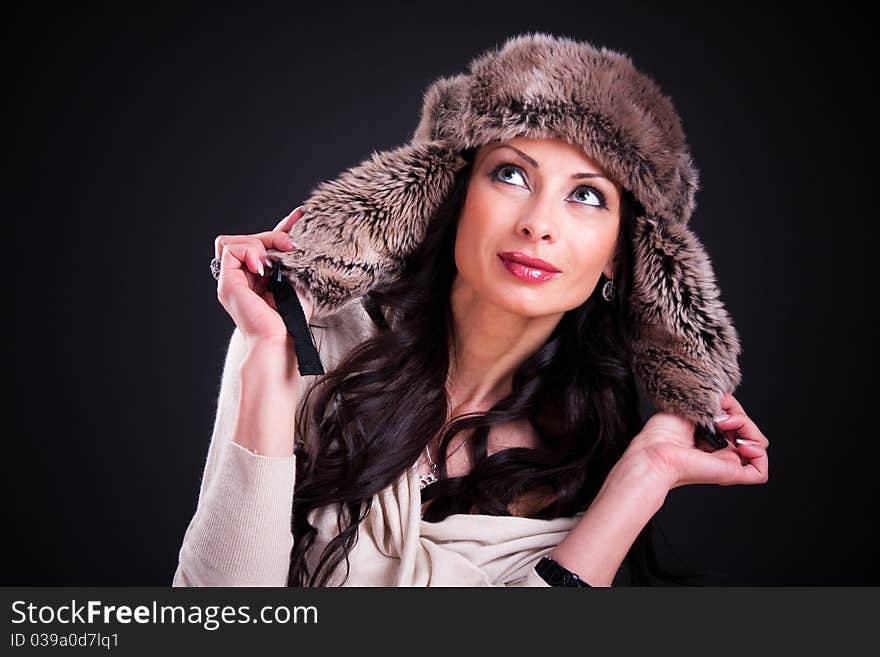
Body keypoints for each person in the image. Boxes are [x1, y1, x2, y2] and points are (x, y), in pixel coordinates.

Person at [174, 33, 770, 588]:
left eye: (586, 196)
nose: (539, 223)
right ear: (453, 195)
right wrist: (268, 360)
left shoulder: (579, 464)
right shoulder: (311, 341)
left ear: (621, 254)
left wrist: (647, 472)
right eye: (511, 174)